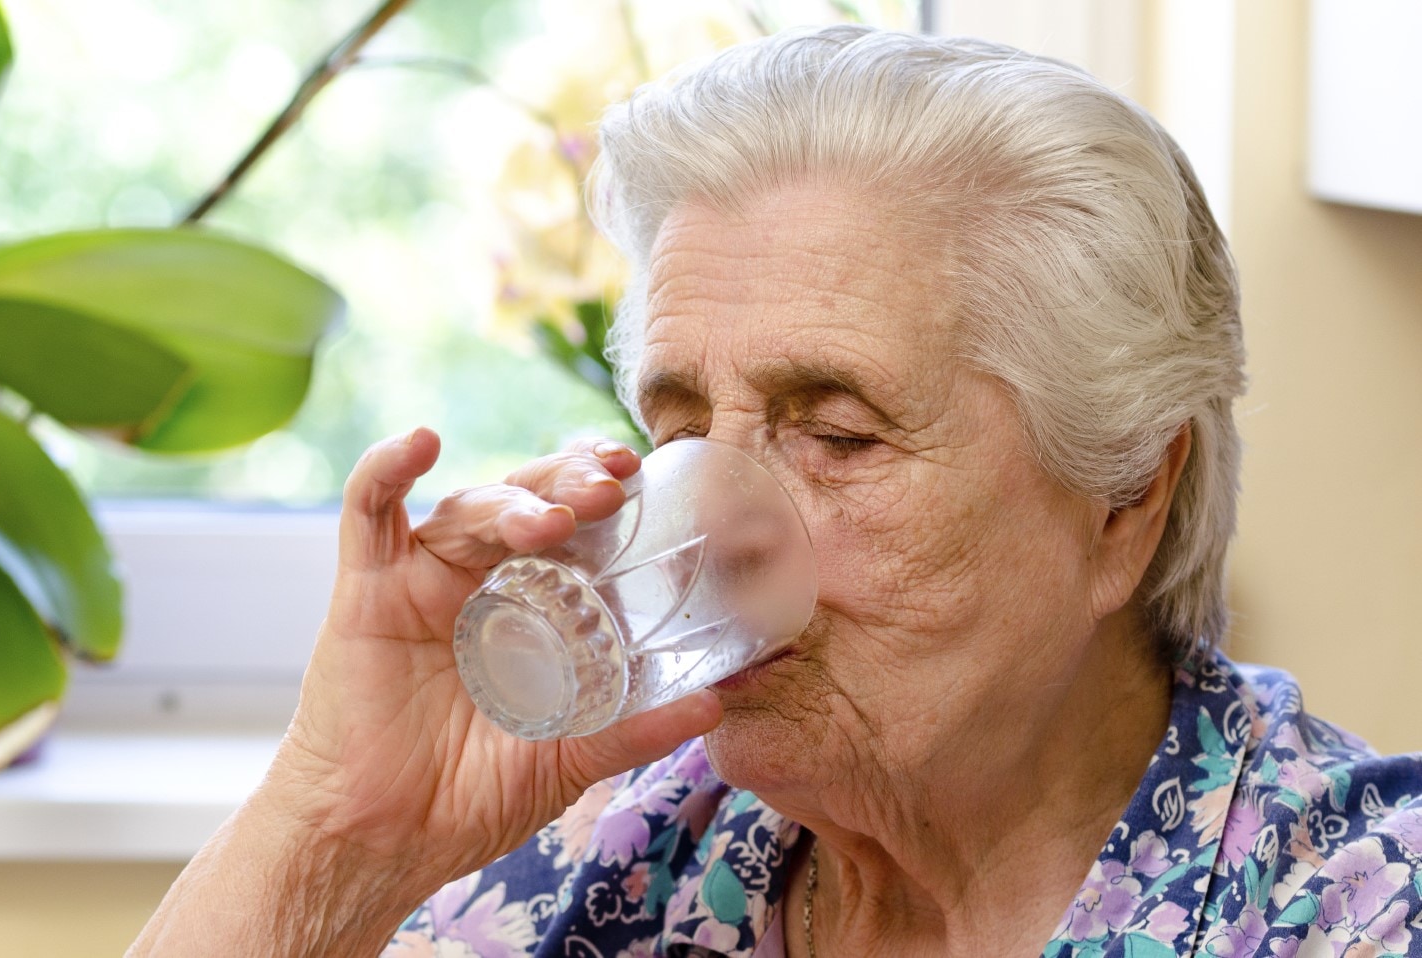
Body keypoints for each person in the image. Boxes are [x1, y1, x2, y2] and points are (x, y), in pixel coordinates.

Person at [130, 25, 1422, 957]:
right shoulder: (615, 845)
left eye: (839, 436)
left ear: (1126, 496)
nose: (716, 537)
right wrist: (338, 829)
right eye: (681, 424)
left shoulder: (1362, 906)